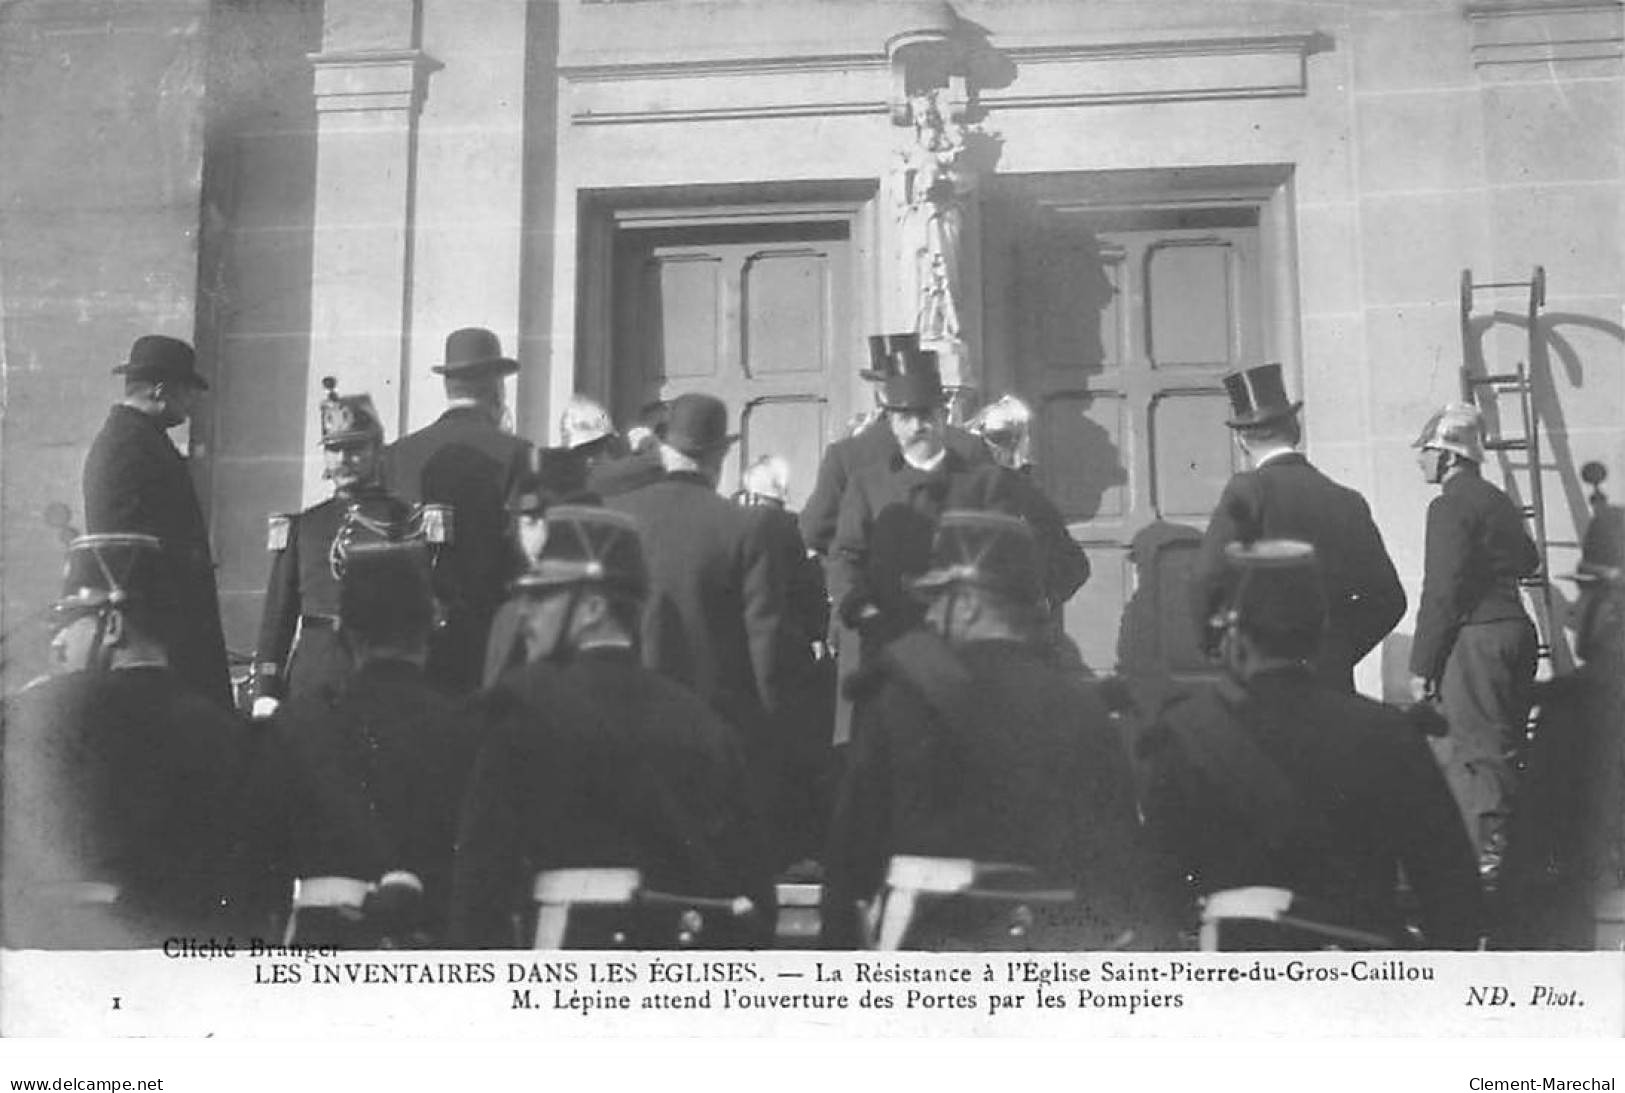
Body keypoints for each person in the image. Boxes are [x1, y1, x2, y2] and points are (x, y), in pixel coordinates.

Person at [821, 511, 1165, 950]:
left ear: (967, 604)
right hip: (1048, 959)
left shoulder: (902, 695)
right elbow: (1119, 867)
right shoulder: (1085, 708)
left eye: (939, 600)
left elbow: (851, 860)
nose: (931, 616)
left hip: (928, 953)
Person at [451, 506, 771, 948]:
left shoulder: (522, 710)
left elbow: (480, 889)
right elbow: (754, 895)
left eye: (544, 597)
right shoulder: (704, 723)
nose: (525, 613)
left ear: (593, 607)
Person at [1141, 539, 1484, 949]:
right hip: (1362, 988)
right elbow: (1454, 897)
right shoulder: (1388, 734)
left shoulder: (1182, 735)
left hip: (1233, 992)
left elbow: (1154, 897)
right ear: (1320, 628)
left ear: (1231, 630)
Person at [1, 534, 258, 947]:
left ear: (114, 626)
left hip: (46, 956)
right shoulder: (229, 730)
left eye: (71, 623)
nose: (57, 641)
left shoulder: (32, 713)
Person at [246, 541, 478, 948]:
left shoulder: (298, 723)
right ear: (427, 626)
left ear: (341, 631)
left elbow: (260, 862)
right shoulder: (465, 726)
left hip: (323, 942)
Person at [605, 393, 794, 803]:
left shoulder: (616, 515)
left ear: (664, 452)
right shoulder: (744, 526)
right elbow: (765, 647)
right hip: (712, 728)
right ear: (718, 458)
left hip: (624, 721)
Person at [1191, 363, 1406, 693]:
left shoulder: (1247, 491)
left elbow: (1208, 578)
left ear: (1241, 440)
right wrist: (1337, 650)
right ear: (1296, 428)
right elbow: (1389, 599)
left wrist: (1216, 648)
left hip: (1262, 679)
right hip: (1330, 683)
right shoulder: (1347, 500)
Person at [1409, 403, 1540, 874]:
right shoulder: (1496, 499)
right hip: (1516, 631)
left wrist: (1422, 665)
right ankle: (1508, 853)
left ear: (1446, 455)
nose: (1419, 460)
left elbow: (1441, 590)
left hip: (1477, 639)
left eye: (1425, 452)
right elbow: (1529, 562)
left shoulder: (1448, 506)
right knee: (1505, 743)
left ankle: (1491, 863)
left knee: (1478, 749)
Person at [828, 344, 1014, 657]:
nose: (917, 427)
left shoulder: (982, 484)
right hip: (888, 646)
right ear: (892, 423)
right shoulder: (867, 485)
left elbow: (1004, 558)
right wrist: (862, 609)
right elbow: (845, 556)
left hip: (964, 648)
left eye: (926, 415)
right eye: (906, 417)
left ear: (943, 417)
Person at [252, 378, 420, 714]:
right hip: (313, 678)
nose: (343, 459)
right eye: (334, 449)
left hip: (377, 678)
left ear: (376, 450)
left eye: (356, 449)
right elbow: (278, 616)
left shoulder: (405, 521)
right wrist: (267, 688)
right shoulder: (305, 526)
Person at [81, 334, 231, 707]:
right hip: (156, 639)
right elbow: (125, 555)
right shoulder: (127, 446)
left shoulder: (141, 440)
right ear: (161, 389)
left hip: (170, 632)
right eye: (187, 389)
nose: (192, 401)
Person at [381, 327, 533, 692]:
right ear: (497, 388)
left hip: (409, 646)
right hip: (488, 648)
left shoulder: (397, 455)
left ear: (448, 387)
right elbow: (525, 555)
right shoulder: (518, 454)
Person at [966, 393, 1092, 620]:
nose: (996, 448)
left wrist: (1042, 600)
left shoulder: (1029, 498)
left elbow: (1074, 565)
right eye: (993, 438)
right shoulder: (957, 489)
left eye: (1006, 439)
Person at [481, 446, 595, 687]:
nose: (543, 535)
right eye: (531, 521)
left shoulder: (606, 610)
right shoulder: (508, 617)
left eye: (553, 519)